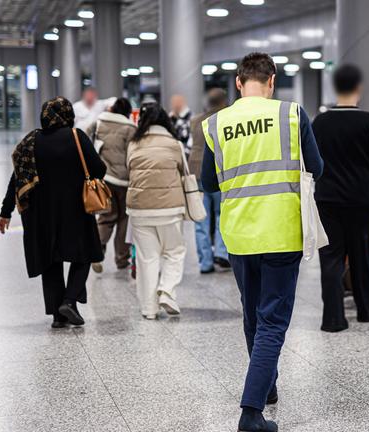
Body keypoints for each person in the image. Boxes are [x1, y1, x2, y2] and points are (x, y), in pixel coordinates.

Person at [201, 52, 323, 432]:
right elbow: (317, 168)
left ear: (238, 82)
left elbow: (208, 183)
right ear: (272, 81)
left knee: (253, 316)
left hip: (239, 234)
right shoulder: (291, 114)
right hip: (281, 231)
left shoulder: (216, 123)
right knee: (272, 321)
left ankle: (266, 385)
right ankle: (251, 413)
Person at [0, 97, 105, 328]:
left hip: (40, 213)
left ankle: (58, 315)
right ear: (68, 114)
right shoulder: (76, 136)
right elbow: (99, 169)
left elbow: (17, 178)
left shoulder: (31, 142)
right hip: (75, 209)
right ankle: (69, 300)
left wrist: (5, 212)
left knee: (51, 260)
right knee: (84, 254)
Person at [312, 64, 369, 332]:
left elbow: (311, 161)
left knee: (331, 259)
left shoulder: (320, 122)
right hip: (361, 200)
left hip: (327, 200)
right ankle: (366, 310)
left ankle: (333, 318)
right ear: (359, 88)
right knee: (362, 256)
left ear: (335, 87)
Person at [126, 103, 187, 319]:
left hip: (139, 209)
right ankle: (167, 291)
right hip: (170, 208)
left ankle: (149, 309)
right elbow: (184, 170)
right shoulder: (174, 144)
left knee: (147, 258)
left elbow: (129, 169)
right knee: (174, 252)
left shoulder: (133, 144)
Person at [87, 98, 136, 273]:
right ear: (128, 112)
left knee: (106, 217)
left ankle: (97, 252)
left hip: (105, 178)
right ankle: (122, 259)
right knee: (124, 220)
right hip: (124, 181)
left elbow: (86, 138)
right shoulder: (130, 128)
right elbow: (133, 154)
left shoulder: (99, 122)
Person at [188, 88, 230, 273]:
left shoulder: (195, 121)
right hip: (219, 171)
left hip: (197, 172)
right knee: (222, 214)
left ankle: (205, 262)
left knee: (201, 218)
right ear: (224, 102)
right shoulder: (226, 119)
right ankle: (221, 253)